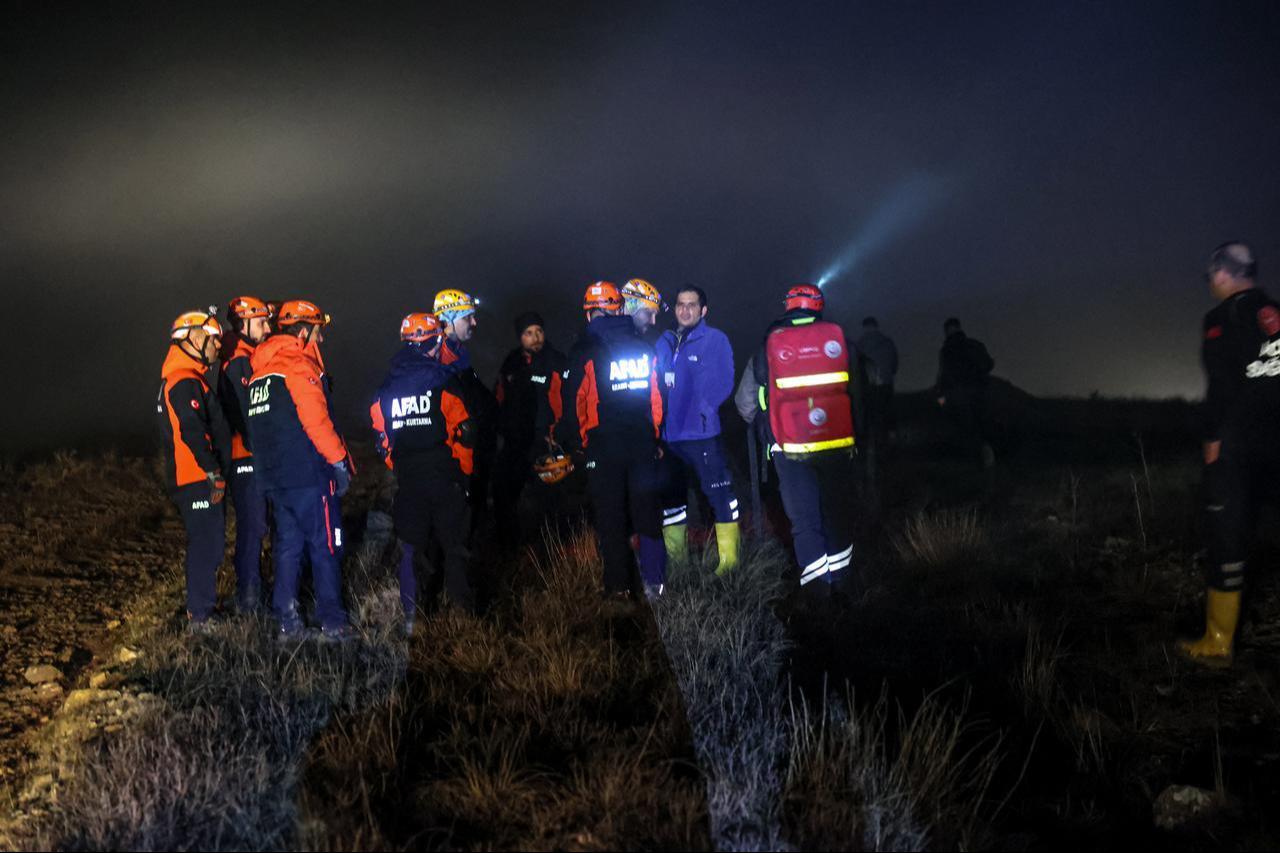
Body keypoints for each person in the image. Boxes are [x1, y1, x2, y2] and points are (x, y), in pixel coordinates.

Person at [1180, 242, 1280, 665]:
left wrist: (1212, 436)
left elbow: (1222, 384)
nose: (1210, 284)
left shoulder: (1221, 319)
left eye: (1210, 276)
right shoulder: (1272, 313)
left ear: (1223, 273)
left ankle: (1218, 642)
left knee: (1228, 534)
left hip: (1237, 444)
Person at [247, 300, 355, 640]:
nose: (320, 341)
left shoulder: (259, 375)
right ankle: (333, 622)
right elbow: (317, 422)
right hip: (308, 476)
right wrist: (340, 462)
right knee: (325, 546)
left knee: (288, 548)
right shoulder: (298, 366)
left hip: (275, 480)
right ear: (305, 331)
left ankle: (287, 622)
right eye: (318, 333)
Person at [736, 284, 856, 588]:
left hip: (786, 447)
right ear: (819, 306)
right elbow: (857, 393)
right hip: (835, 444)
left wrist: (770, 427)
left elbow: (744, 402)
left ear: (787, 306)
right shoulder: (839, 340)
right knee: (835, 513)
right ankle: (844, 586)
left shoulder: (767, 346)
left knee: (804, 521)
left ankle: (819, 594)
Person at [559, 281, 667, 601]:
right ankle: (655, 584)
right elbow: (656, 400)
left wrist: (580, 443)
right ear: (618, 309)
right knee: (646, 512)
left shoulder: (585, 352)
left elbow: (575, 405)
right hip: (642, 444)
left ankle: (618, 588)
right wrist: (654, 436)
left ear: (592, 314)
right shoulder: (644, 348)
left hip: (602, 447)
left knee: (610, 516)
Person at [372, 313, 477, 628]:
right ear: (435, 342)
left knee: (412, 549)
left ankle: (413, 618)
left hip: (409, 479)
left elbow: (382, 439)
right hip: (445, 476)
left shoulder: (385, 390)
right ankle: (462, 615)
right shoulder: (444, 381)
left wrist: (402, 466)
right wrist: (464, 474)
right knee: (456, 547)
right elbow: (466, 432)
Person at [655, 284, 740, 574]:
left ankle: (729, 562)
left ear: (703, 310)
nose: (685, 309)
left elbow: (726, 380)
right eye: (680, 304)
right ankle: (676, 562)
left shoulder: (715, 339)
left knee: (717, 493)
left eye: (692, 305)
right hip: (669, 436)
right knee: (672, 498)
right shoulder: (664, 341)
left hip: (702, 435)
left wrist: (705, 407)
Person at [158, 309, 231, 630]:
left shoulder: (186, 379)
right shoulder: (184, 382)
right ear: (193, 339)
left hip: (195, 477)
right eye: (212, 339)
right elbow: (191, 431)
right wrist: (213, 472)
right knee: (206, 544)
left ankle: (201, 609)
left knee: (208, 542)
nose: (217, 345)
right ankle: (199, 615)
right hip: (197, 479)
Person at [493, 310, 566, 550]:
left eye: (539, 332)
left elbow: (563, 401)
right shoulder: (511, 362)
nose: (535, 338)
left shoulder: (555, 361)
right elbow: (500, 397)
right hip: (515, 442)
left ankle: (551, 553)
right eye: (528, 333)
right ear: (520, 337)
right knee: (504, 496)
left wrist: (557, 434)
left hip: (545, 442)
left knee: (548, 502)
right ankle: (510, 551)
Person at [219, 295, 273, 613]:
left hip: (249, 455)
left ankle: (252, 588)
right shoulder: (238, 360)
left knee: (257, 524)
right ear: (243, 324)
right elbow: (248, 414)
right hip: (245, 456)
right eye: (261, 321)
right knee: (253, 525)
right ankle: (249, 594)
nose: (267, 327)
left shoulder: (245, 356)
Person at [434, 289, 499, 538]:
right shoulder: (437, 357)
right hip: (452, 457)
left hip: (470, 450)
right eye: (467, 317)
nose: (474, 322)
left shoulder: (458, 351)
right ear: (448, 319)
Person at [935, 317, 995, 469]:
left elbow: (943, 376)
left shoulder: (946, 350)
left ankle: (972, 466)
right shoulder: (976, 345)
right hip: (981, 393)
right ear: (959, 327)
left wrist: (941, 399)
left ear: (947, 330)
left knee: (965, 430)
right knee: (982, 426)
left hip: (959, 396)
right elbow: (989, 364)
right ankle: (987, 461)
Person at [855, 316, 899, 453]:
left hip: (869, 386)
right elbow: (894, 365)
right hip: (886, 383)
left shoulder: (860, 345)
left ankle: (871, 446)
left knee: (870, 415)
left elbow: (857, 367)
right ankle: (891, 439)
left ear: (865, 327)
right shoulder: (887, 342)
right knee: (887, 412)